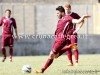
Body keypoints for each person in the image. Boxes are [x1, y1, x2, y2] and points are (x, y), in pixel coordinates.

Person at [35, 6, 90, 73]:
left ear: (62, 13)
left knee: (51, 54)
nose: (57, 14)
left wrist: (83, 17)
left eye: (58, 13)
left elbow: (77, 21)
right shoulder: (60, 20)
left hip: (61, 40)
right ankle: (68, 47)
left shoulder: (68, 18)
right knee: (56, 56)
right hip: (57, 39)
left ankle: (42, 70)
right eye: (56, 13)